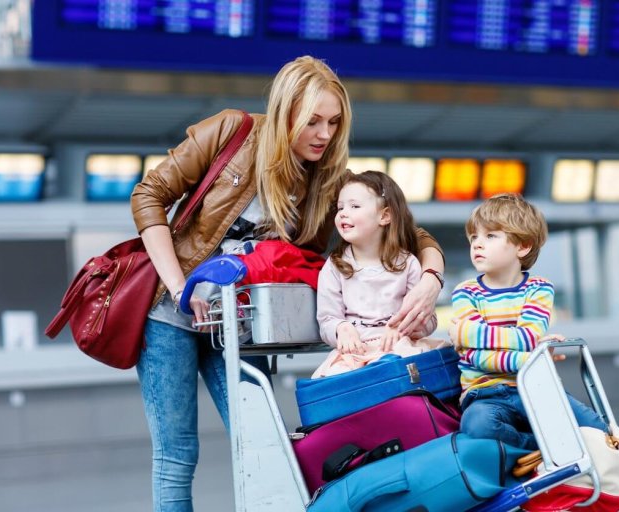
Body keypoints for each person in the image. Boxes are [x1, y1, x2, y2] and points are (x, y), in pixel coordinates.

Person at [130, 56, 444, 511]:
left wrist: (431, 278)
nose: (325, 134)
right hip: (169, 313)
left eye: (334, 122)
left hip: (241, 329)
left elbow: (408, 232)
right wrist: (181, 288)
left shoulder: (330, 178)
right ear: (284, 112)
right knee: (177, 453)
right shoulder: (230, 133)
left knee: (265, 443)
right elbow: (148, 196)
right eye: (313, 121)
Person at [449, 193, 605, 450]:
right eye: (473, 237)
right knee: (477, 426)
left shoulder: (539, 288)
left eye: (490, 236)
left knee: (597, 430)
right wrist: (533, 357)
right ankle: (537, 448)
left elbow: (528, 337)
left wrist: (468, 333)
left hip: (534, 387)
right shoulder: (465, 292)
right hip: (483, 394)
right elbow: (475, 358)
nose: (477, 244)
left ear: (523, 246)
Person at [313, 171, 448, 378]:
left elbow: (428, 319)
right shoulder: (334, 266)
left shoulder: (408, 262)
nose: (343, 213)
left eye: (354, 206)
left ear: (384, 216)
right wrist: (342, 328)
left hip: (399, 349)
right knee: (334, 380)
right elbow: (327, 319)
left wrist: (406, 327)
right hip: (354, 355)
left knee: (410, 368)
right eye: (340, 207)